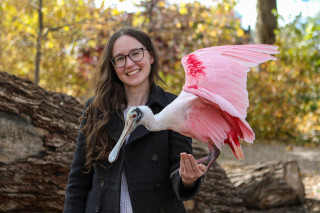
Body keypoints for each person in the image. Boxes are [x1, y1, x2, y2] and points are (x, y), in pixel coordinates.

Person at [63, 27, 206, 213]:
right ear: (113, 66)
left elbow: (177, 169)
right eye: (120, 58)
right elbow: (78, 179)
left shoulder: (174, 106)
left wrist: (187, 179)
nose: (129, 63)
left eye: (136, 53)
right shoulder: (96, 108)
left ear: (151, 56)